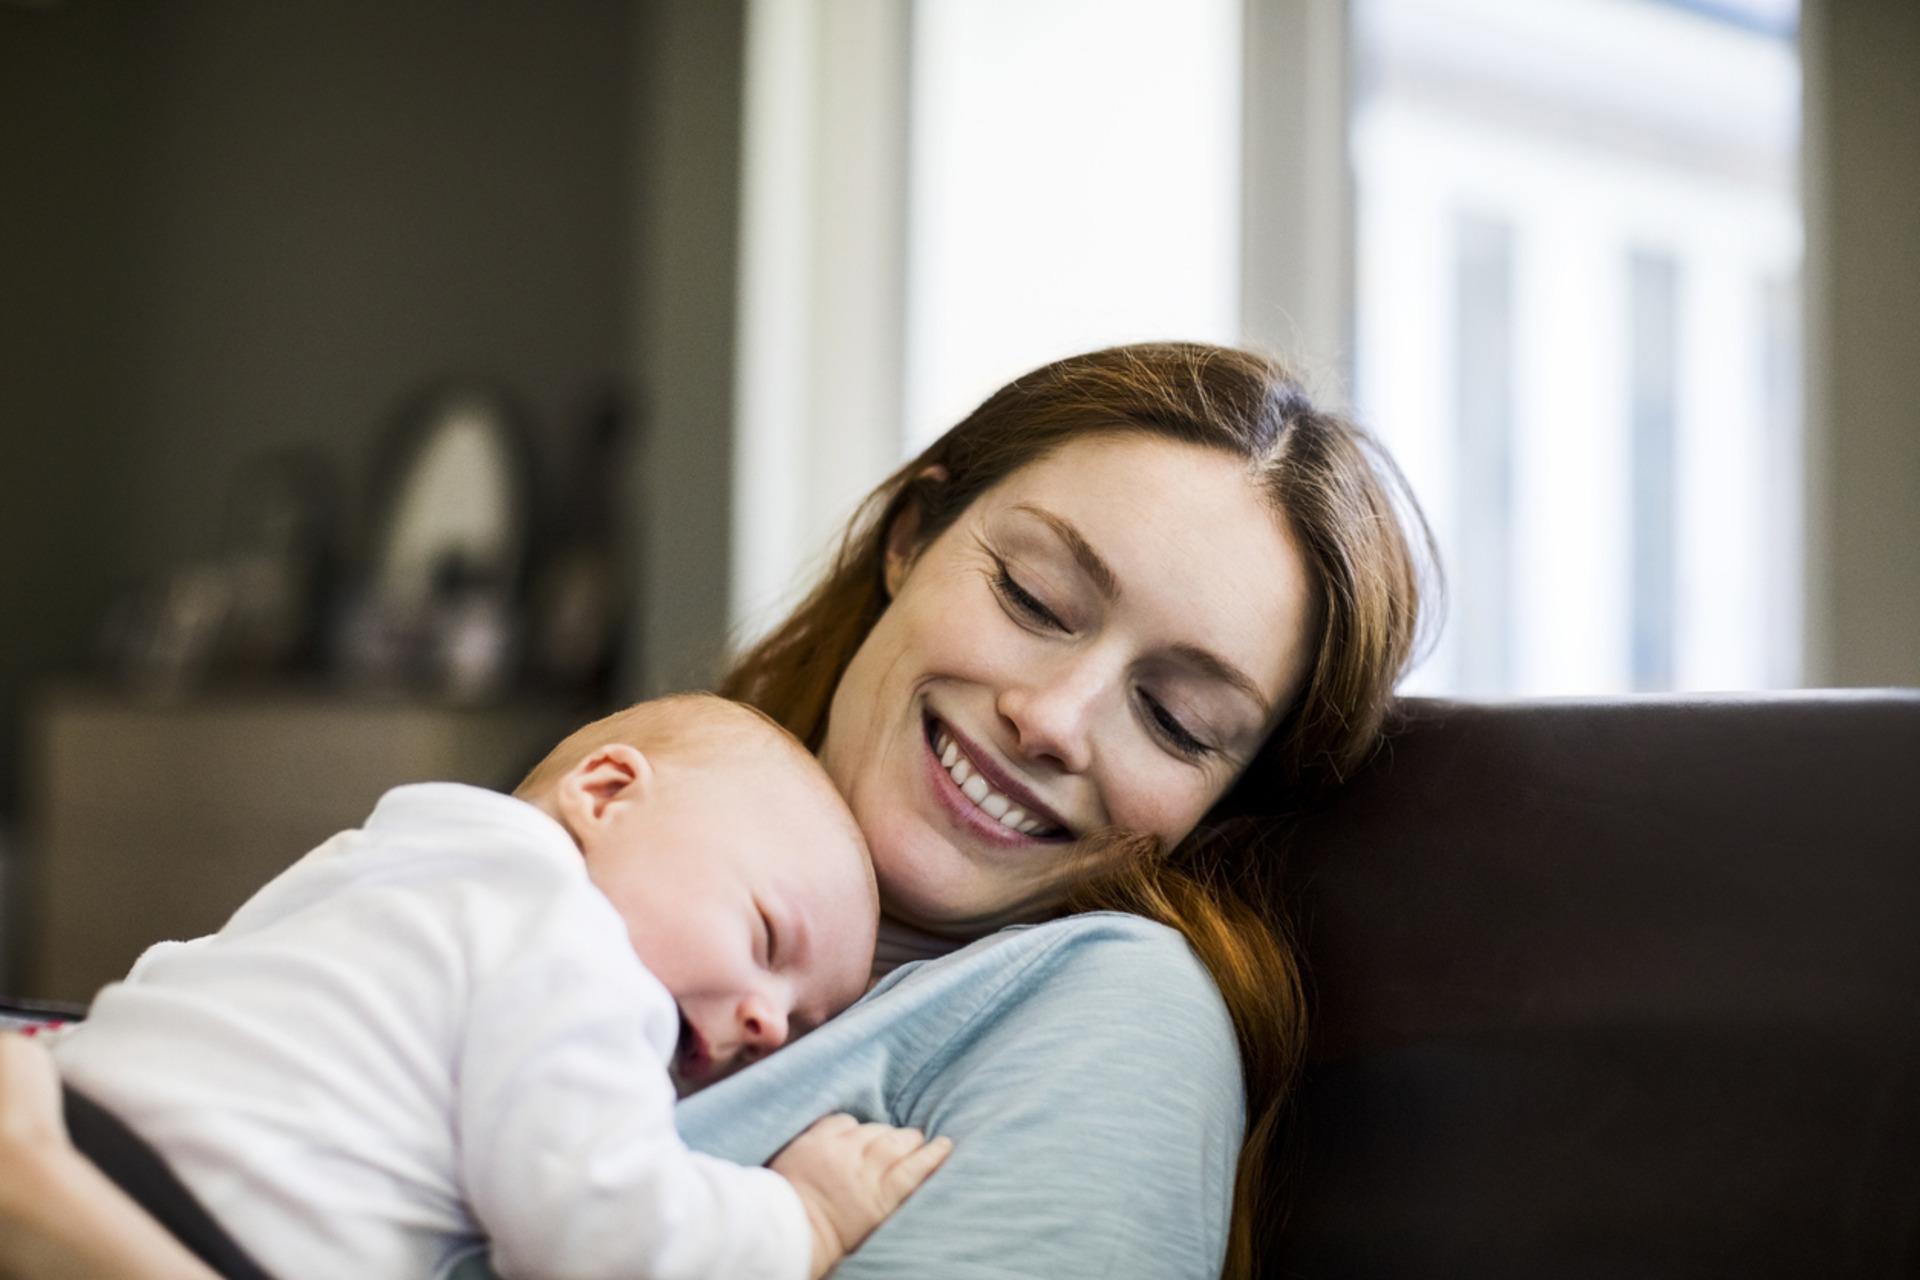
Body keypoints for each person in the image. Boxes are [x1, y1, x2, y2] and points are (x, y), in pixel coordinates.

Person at [0, 341, 1435, 1280]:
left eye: (1177, 718)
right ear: (912, 537)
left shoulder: (1115, 1011)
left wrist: (68, 1223)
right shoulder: (598, 859)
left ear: (1223, 800)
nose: (1056, 719)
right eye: (1034, 595)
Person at [45, 695, 951, 1280]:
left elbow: (184, 970)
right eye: (765, 937)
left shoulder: (391, 859)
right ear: (606, 793)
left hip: (77, 1119)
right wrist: (804, 1217)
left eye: (799, 1025)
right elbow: (602, 1234)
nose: (767, 1023)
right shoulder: (570, 941)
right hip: (192, 1221)